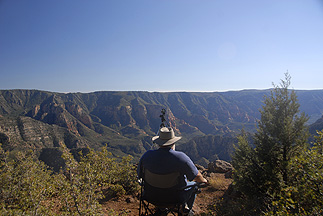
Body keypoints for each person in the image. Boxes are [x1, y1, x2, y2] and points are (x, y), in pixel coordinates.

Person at [137, 127, 207, 215]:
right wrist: (204, 181)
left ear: (159, 143)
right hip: (175, 198)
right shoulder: (181, 158)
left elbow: (139, 176)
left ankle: (161, 210)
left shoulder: (146, 156)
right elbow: (196, 176)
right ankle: (185, 212)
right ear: (173, 142)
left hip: (151, 196)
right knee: (194, 186)